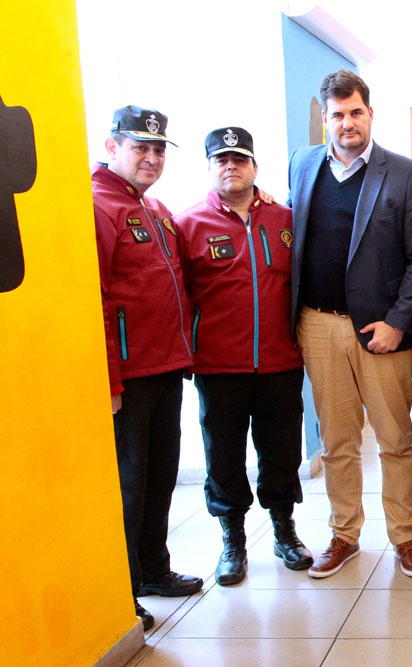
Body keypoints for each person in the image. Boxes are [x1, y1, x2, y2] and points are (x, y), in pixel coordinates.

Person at [287, 70, 412, 579]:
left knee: (394, 439)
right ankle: (344, 534)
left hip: (383, 331)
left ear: (369, 113)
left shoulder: (403, 174)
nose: (346, 123)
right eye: (337, 114)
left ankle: (404, 537)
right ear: (325, 118)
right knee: (337, 440)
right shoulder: (303, 165)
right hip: (319, 325)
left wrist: (398, 322)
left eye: (355, 112)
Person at [175, 127, 312, 587]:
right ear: (210, 167)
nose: (230, 166)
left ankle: (283, 531)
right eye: (221, 160)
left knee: (281, 451)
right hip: (218, 366)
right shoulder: (188, 225)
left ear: (254, 166)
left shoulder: (286, 219)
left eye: (239, 159)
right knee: (224, 456)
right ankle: (232, 538)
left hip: (280, 362)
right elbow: (178, 297)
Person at [91, 106, 203, 630]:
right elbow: (95, 302)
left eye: (158, 149)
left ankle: (154, 569)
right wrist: (110, 380)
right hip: (129, 379)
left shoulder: (155, 209)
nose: (151, 157)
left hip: (166, 367)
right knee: (128, 486)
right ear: (112, 147)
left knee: (160, 477)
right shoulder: (99, 205)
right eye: (140, 147)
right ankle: (123, 590)